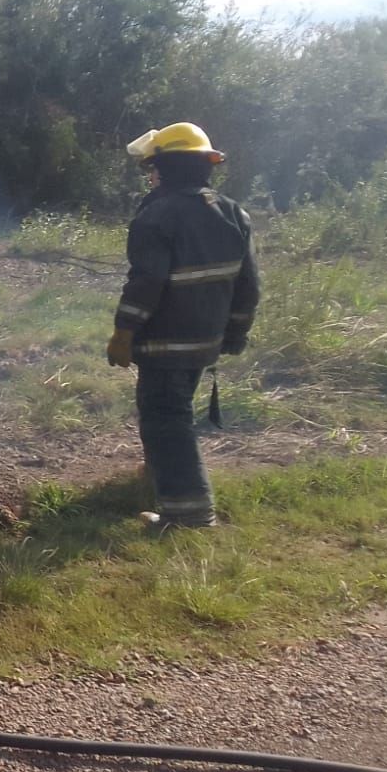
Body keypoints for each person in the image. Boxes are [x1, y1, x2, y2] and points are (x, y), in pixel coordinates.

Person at [108, 122, 260, 529]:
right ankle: (160, 481)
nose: (151, 176)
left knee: (166, 419)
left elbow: (146, 283)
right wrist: (235, 333)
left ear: (169, 167)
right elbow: (248, 285)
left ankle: (189, 514)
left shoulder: (157, 215)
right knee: (173, 413)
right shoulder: (233, 212)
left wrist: (123, 333)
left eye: (154, 168)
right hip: (206, 341)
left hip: (164, 343)